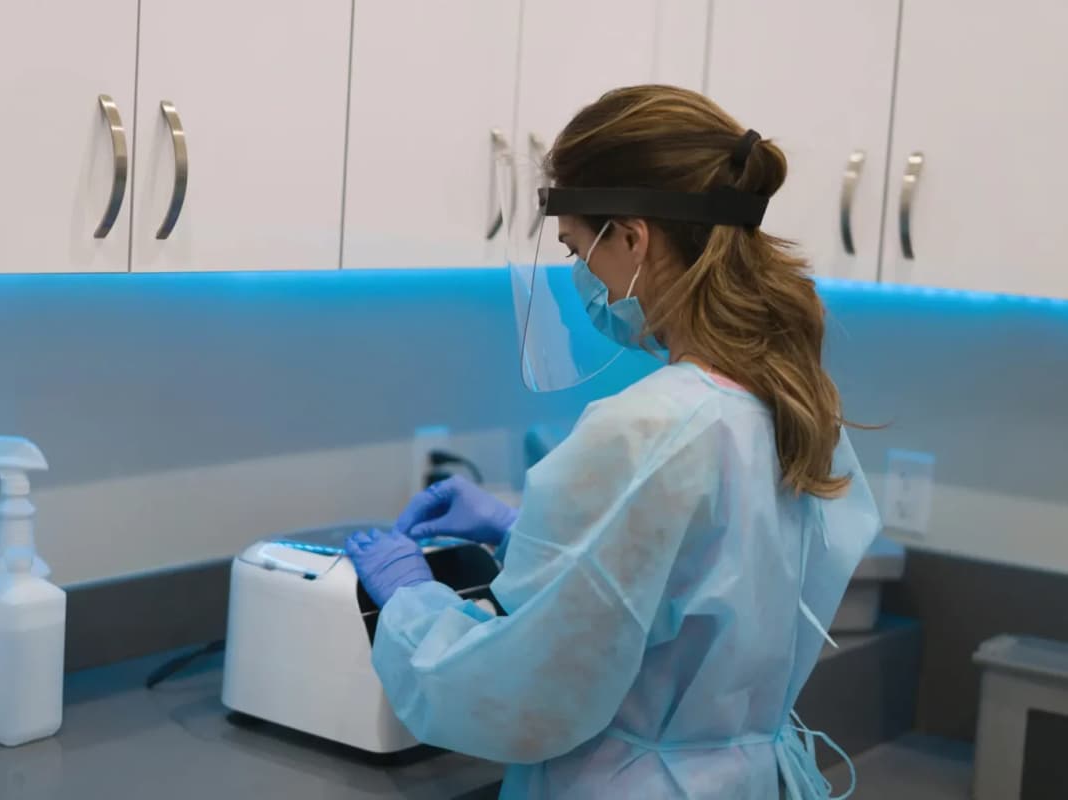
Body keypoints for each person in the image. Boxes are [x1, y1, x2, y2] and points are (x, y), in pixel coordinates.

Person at [345, 85, 880, 799]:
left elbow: (522, 696)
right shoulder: (787, 398)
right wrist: (524, 532)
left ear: (631, 237)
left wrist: (410, 605)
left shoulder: (648, 428)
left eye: (575, 248)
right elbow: (706, 581)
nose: (577, 278)